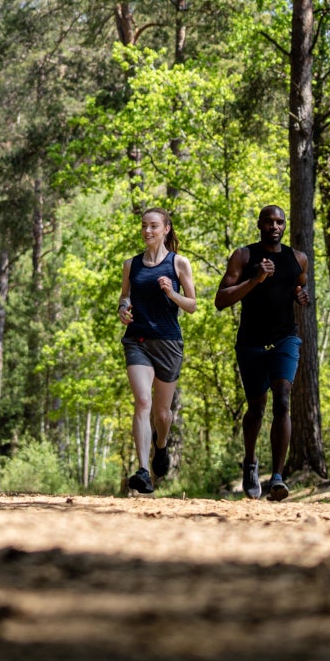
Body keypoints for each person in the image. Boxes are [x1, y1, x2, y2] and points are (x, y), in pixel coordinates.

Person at [216, 204, 309, 500]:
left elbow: (298, 286)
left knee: (282, 399)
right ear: (259, 224)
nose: (275, 226)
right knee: (256, 408)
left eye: (280, 221)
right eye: (269, 221)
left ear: (285, 225)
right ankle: (251, 462)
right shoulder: (244, 256)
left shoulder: (298, 259)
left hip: (285, 339)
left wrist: (300, 295)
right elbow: (220, 300)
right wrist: (254, 280)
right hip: (251, 342)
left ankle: (278, 478)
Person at [119, 207, 197, 494]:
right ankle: (142, 470)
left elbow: (192, 305)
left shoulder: (179, 263)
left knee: (162, 414)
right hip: (137, 339)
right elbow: (124, 296)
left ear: (166, 229)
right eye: (144, 226)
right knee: (142, 401)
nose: (147, 231)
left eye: (153, 226)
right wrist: (123, 309)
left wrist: (171, 293)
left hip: (168, 343)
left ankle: (160, 447)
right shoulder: (131, 264)